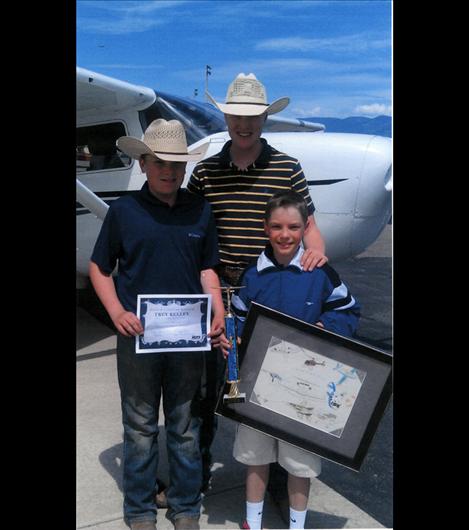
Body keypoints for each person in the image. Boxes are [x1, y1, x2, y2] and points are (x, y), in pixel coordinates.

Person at [186, 72, 328, 501]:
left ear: (265, 118)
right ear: (225, 116)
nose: (243, 125)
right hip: (217, 295)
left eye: (253, 117)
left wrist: (317, 264)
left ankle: (282, 488)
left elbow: (312, 230)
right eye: (235, 116)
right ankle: (195, 479)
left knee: (279, 390)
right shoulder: (206, 172)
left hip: (274, 295)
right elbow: (192, 231)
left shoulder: (288, 167)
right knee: (205, 392)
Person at [88, 119, 227, 530]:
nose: (169, 170)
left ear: (185, 168)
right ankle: (139, 508)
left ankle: (185, 506)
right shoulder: (123, 211)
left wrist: (216, 308)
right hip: (138, 339)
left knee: (185, 424)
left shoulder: (200, 211)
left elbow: (207, 268)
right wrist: (115, 312)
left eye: (176, 164)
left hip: (188, 341)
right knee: (141, 425)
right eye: (159, 162)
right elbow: (99, 267)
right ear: (144, 164)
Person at [230, 190, 361, 529]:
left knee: (299, 463)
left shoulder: (319, 272)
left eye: (293, 227)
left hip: (305, 388)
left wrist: (325, 327)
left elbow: (348, 310)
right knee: (255, 458)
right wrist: (237, 337)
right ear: (265, 228)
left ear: (305, 228)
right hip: (259, 384)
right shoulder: (252, 275)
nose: (284, 234)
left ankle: (297, 525)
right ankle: (252, 523)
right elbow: (239, 317)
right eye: (276, 227)